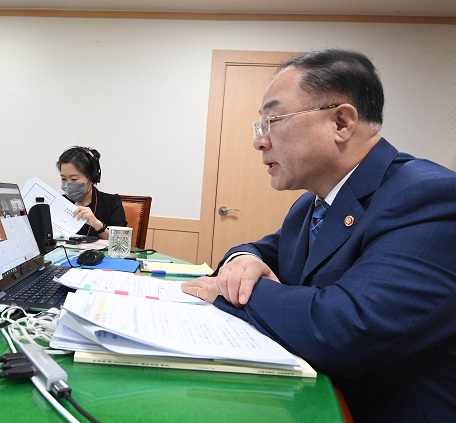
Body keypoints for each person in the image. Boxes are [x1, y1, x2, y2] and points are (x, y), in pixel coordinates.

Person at [181, 49, 456, 422]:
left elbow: (345, 327)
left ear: (342, 122)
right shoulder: (312, 204)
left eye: (272, 121)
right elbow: (263, 250)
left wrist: (229, 291)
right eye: (258, 127)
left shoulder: (429, 195)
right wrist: (242, 259)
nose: (259, 142)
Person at [57, 146, 126, 240]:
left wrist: (96, 224)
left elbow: (119, 243)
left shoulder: (111, 203)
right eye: (64, 179)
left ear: (92, 177)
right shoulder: (61, 203)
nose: (68, 184)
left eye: (74, 179)